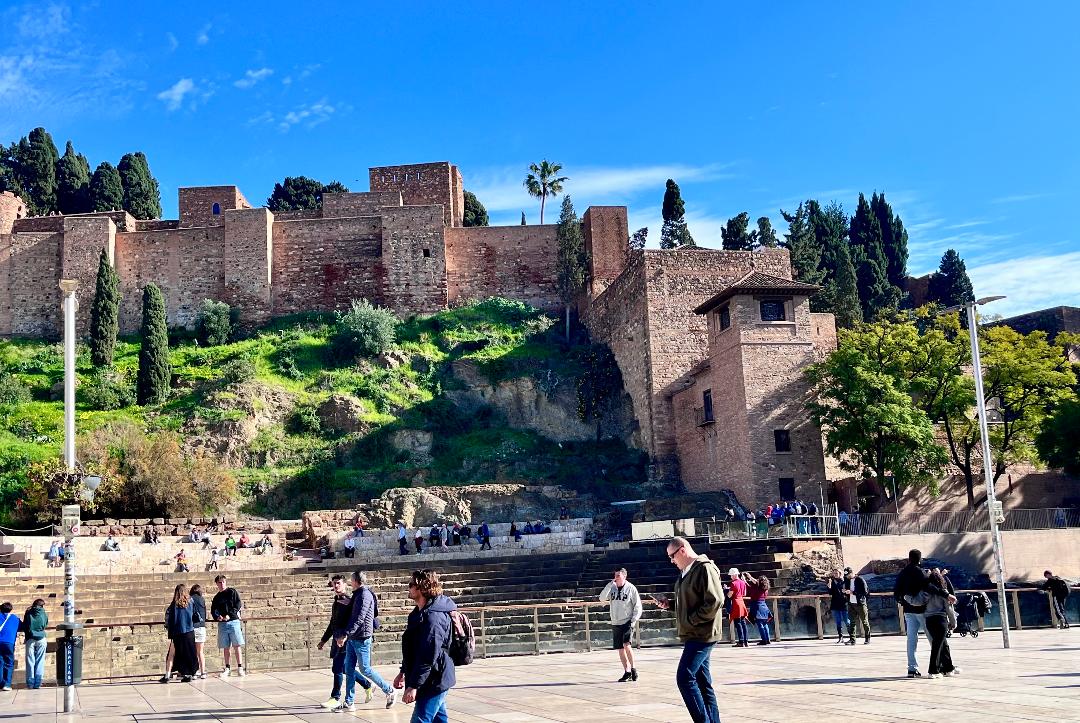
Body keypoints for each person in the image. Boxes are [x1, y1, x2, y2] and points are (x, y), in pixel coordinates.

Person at [655, 537, 722, 723]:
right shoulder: (686, 572)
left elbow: (715, 601)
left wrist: (692, 620)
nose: (671, 561)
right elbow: (691, 601)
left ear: (682, 550)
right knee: (702, 683)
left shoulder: (704, 568)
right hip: (695, 632)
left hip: (702, 634)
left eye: (672, 556)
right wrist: (670, 605)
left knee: (684, 678)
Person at [393, 569, 458, 723]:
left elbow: (428, 654)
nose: (408, 587)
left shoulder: (433, 617)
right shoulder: (418, 613)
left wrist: (414, 686)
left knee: (420, 720)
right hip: (430, 678)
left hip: (434, 679)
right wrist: (403, 672)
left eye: (411, 584)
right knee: (439, 719)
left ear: (422, 588)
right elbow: (413, 649)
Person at [335, 571, 396, 711]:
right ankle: (349, 702)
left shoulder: (364, 595)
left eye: (351, 580)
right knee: (348, 668)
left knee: (365, 669)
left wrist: (345, 634)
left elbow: (359, 618)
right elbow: (354, 612)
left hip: (361, 637)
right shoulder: (358, 594)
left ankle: (390, 690)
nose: (350, 583)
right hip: (353, 637)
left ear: (356, 581)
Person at [893, 549, 954, 678]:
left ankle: (912, 668)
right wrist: (946, 594)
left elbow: (896, 592)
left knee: (911, 640)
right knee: (934, 640)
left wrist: (904, 602)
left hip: (908, 611)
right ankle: (940, 666)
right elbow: (930, 587)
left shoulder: (902, 573)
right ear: (919, 559)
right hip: (922, 612)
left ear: (909, 559)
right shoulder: (920, 573)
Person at [319, 575, 373, 709]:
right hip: (337, 639)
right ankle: (367, 685)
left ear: (345, 584)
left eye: (338, 583)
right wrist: (323, 640)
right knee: (343, 668)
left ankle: (335, 697)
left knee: (337, 668)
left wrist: (346, 637)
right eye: (334, 583)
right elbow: (333, 623)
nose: (336, 586)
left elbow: (353, 622)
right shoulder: (337, 601)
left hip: (345, 640)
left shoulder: (349, 602)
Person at [600, 568, 643, 682]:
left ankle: (633, 668)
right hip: (615, 621)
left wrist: (633, 620)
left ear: (624, 576)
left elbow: (638, 606)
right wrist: (609, 585)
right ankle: (627, 671)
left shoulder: (631, 588)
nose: (616, 577)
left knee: (626, 645)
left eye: (618, 575)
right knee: (620, 648)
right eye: (615, 575)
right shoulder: (612, 587)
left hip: (627, 621)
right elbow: (601, 598)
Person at [924, 570, 959, 679]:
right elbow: (949, 609)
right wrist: (953, 623)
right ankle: (933, 670)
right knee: (937, 646)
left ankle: (948, 668)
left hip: (929, 620)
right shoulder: (944, 592)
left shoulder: (926, 592)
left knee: (943, 645)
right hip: (940, 620)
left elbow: (921, 603)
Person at [211, 574, 246, 677]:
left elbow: (238, 604)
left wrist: (229, 615)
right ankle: (227, 668)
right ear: (217, 584)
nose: (221, 584)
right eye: (219, 583)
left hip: (233, 622)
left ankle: (240, 667)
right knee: (226, 647)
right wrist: (218, 617)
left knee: (237, 645)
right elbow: (214, 610)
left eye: (223, 582)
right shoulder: (216, 597)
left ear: (225, 582)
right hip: (223, 624)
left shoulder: (232, 592)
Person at [164, 584, 198, 683]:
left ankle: (168, 675)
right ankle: (188, 674)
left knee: (174, 654)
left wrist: (171, 633)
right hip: (189, 632)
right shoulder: (191, 602)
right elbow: (196, 615)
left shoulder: (174, 604)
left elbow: (171, 620)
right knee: (188, 653)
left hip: (178, 633)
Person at [21, 598, 48, 689]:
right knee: (40, 660)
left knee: (30, 661)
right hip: (41, 638)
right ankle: (38, 683)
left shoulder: (28, 612)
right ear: (41, 605)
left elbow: (25, 625)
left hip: (30, 638)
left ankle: (30, 683)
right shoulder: (43, 613)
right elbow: (45, 624)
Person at [844, 567, 871, 644]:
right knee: (852, 621)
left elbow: (865, 592)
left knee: (864, 621)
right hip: (851, 603)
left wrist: (853, 592)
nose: (847, 576)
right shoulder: (847, 580)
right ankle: (852, 639)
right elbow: (847, 590)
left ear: (852, 573)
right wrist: (845, 591)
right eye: (846, 575)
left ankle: (867, 638)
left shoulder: (860, 579)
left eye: (848, 574)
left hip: (860, 603)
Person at [828, 568, 854, 645]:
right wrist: (829, 587)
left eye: (836, 573)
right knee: (838, 621)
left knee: (847, 621)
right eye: (834, 573)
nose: (835, 574)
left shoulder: (845, 581)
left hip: (844, 603)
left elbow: (849, 591)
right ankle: (840, 637)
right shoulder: (832, 582)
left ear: (840, 573)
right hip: (835, 604)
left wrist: (846, 592)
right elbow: (830, 593)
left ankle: (851, 637)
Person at [745, 574, 772, 645]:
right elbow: (754, 584)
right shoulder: (765, 588)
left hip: (757, 606)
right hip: (764, 605)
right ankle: (768, 639)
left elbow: (755, 582)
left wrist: (749, 576)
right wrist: (747, 579)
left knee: (760, 624)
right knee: (765, 624)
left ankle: (764, 640)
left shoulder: (759, 587)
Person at [727, 567, 749, 647]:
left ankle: (741, 641)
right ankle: (746, 641)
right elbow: (744, 593)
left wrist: (727, 591)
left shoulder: (733, 583)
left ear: (734, 575)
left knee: (738, 623)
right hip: (741, 602)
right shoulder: (743, 582)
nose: (731, 577)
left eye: (731, 575)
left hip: (736, 603)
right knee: (743, 622)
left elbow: (730, 595)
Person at [190, 584, 208, 679]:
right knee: (200, 651)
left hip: (192, 627)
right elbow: (205, 614)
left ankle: (194, 672)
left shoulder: (190, 599)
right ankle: (203, 672)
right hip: (201, 627)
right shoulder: (202, 599)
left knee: (193, 652)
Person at [0, 602, 17, 691]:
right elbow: (22, 626)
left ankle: (1, 682)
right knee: (9, 663)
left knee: (0, 662)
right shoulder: (14, 618)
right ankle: (7, 684)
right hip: (9, 642)